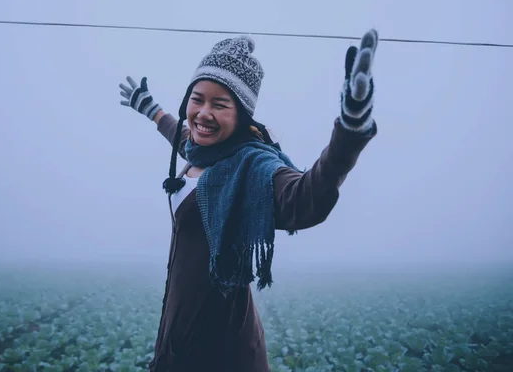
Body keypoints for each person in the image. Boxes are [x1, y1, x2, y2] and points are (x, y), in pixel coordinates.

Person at [119, 29, 379, 372]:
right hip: (177, 336)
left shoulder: (252, 169)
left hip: (223, 353)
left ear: (242, 115)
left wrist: (351, 126)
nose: (203, 113)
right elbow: (179, 133)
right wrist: (150, 108)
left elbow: (307, 196)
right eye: (197, 99)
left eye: (220, 104)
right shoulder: (201, 151)